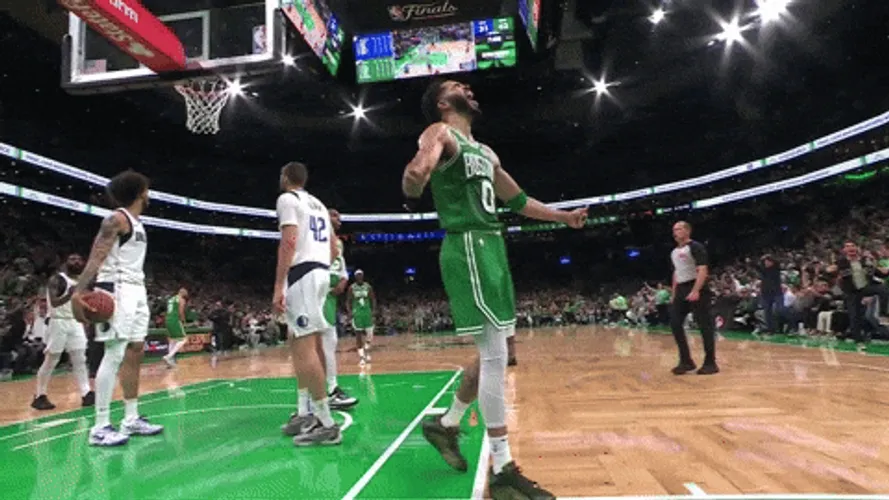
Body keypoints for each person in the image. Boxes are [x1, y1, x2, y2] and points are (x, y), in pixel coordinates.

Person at [403, 79, 587, 499]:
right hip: (468, 243)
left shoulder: (485, 152)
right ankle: (503, 468)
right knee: (494, 355)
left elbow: (518, 201)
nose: (468, 88)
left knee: (494, 351)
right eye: (457, 86)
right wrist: (414, 181)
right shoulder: (440, 132)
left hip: (492, 247)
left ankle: (447, 424)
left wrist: (562, 217)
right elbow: (418, 169)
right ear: (443, 102)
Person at [71, 170, 164, 446]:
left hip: (136, 288)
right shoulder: (116, 220)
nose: (149, 193)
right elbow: (96, 256)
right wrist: (79, 291)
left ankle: (130, 418)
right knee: (114, 353)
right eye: (146, 189)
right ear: (140, 192)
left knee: (135, 350)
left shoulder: (137, 222)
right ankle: (100, 426)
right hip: (117, 288)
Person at [273, 161, 342, 446]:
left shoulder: (287, 199)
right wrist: (320, 266)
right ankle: (305, 412)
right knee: (298, 341)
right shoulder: (320, 205)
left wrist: (279, 285)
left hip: (302, 274)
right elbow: (334, 248)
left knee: (304, 348)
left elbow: (289, 242)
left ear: (285, 177)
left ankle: (326, 422)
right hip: (319, 272)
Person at [32, 253, 95, 410]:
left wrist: (87, 315)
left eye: (79, 259)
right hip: (57, 321)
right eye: (72, 259)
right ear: (66, 262)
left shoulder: (80, 282)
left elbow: (77, 302)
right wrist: (69, 295)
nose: (76, 262)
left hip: (74, 321)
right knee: (52, 359)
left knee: (80, 358)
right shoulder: (57, 279)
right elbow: (54, 302)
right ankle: (40, 395)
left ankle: (86, 393)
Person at [668, 221, 719, 375]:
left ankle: (710, 362)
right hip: (681, 288)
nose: (675, 232)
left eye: (679, 229)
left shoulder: (696, 247)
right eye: (674, 229)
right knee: (675, 323)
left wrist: (696, 290)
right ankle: (686, 361)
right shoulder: (674, 252)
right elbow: (676, 273)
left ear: (687, 231)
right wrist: (674, 294)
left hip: (696, 286)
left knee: (704, 325)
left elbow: (703, 269)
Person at [322, 210, 357, 409]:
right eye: (334, 215)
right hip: (319, 293)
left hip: (331, 298)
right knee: (320, 344)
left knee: (330, 342)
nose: (339, 220)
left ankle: (327, 390)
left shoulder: (338, 243)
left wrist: (344, 279)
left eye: (340, 217)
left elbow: (340, 265)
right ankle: (327, 390)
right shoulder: (317, 238)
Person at [346, 270, 375, 365]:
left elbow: (373, 299)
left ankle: (367, 348)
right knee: (358, 336)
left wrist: (373, 311)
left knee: (370, 334)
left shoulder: (368, 287)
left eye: (360, 275)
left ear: (363, 276)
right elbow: (348, 301)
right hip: (357, 314)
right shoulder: (352, 288)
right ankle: (362, 357)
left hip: (367, 313)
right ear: (355, 277)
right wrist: (350, 312)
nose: (359, 277)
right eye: (357, 275)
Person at [162, 287, 189, 367]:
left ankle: (170, 362)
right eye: (186, 293)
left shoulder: (171, 299)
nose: (186, 295)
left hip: (167, 319)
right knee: (184, 339)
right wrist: (184, 321)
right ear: (182, 292)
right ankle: (169, 356)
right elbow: (181, 312)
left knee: (172, 340)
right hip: (175, 320)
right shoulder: (181, 299)